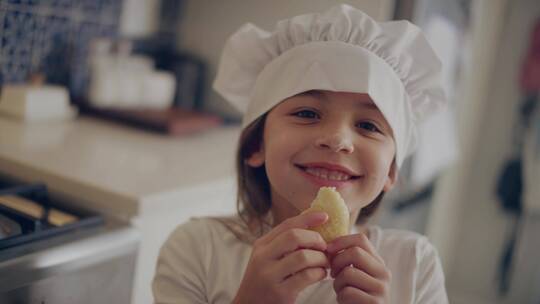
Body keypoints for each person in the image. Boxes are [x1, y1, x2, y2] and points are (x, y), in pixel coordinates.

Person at [152, 4, 449, 304]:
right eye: (307, 113)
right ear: (257, 145)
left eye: (368, 125)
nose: (337, 140)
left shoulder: (415, 265)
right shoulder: (197, 250)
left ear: (391, 172)